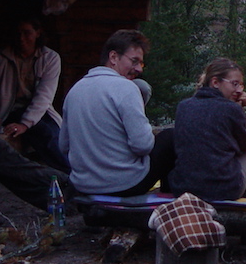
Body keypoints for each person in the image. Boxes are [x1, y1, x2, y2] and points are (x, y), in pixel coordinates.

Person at [59, 29, 175, 196]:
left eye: (141, 63)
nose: (139, 69)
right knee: (170, 137)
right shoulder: (126, 88)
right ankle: (168, 199)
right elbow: (142, 145)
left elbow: (63, 145)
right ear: (113, 57)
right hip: (123, 185)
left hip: (83, 185)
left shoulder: (75, 90)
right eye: (134, 61)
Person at [0, 16, 70, 172]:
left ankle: (72, 174)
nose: (21, 38)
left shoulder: (50, 58)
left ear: (38, 33)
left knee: (56, 134)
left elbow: (44, 96)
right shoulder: (1, 58)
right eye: (18, 33)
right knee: (44, 133)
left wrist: (25, 124)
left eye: (27, 33)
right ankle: (70, 175)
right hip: (10, 112)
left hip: (39, 111)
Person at [168, 58, 246, 201]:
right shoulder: (231, 108)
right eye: (235, 84)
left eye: (241, 85)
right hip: (223, 190)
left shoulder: (183, 106)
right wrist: (240, 108)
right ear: (215, 82)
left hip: (183, 188)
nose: (240, 90)